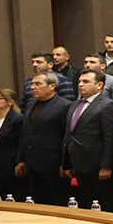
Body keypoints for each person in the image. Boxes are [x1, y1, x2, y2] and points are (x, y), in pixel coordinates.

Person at [62, 69, 113, 211]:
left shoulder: (107, 105)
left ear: (99, 85)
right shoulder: (74, 105)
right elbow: (69, 135)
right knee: (86, 205)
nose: (80, 84)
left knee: (106, 205)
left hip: (97, 165)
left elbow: (110, 138)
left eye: (86, 81)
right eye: (79, 82)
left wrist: (106, 166)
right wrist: (67, 163)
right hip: (78, 164)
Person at [14, 73, 69, 205]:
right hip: (32, 164)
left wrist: (65, 163)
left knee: (57, 202)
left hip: (53, 165)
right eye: (32, 84)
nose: (33, 87)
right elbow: (25, 133)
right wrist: (21, 159)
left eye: (38, 84)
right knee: (39, 203)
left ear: (52, 86)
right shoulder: (30, 103)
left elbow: (66, 137)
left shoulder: (64, 105)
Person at [0, 87, 27, 198]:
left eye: (0, 98)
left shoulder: (17, 119)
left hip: (11, 165)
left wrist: (20, 162)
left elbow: (22, 142)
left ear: (11, 102)